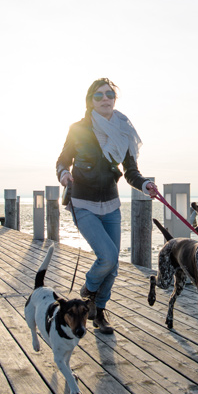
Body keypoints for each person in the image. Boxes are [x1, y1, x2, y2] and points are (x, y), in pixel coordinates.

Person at [56, 78, 159, 334]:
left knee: (112, 267)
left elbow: (131, 172)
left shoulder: (123, 131)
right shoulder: (78, 128)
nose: (105, 99)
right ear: (90, 100)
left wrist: (145, 184)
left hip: (111, 204)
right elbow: (62, 160)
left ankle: (99, 312)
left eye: (110, 94)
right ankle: (88, 290)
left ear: (115, 99)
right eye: (99, 95)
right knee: (109, 257)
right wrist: (63, 175)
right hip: (83, 203)